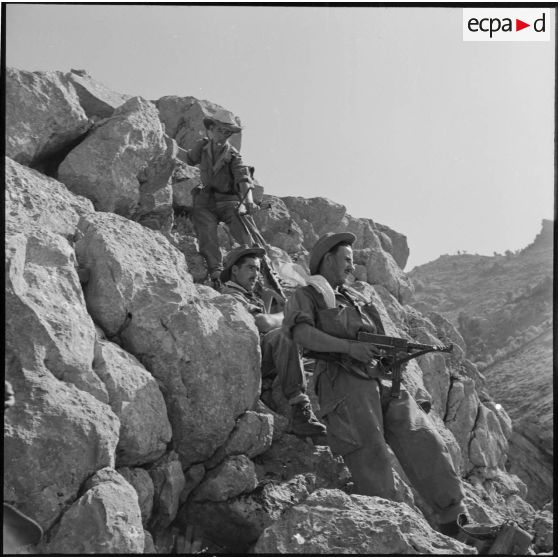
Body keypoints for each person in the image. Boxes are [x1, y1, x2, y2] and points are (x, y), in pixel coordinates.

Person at [283, 232, 467, 536]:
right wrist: (349, 348)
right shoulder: (308, 294)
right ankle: (388, 532)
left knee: (424, 439)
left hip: (382, 378)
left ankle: (456, 521)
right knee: (371, 456)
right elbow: (301, 335)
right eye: (346, 260)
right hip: (342, 382)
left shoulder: (357, 297)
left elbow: (379, 339)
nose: (351, 268)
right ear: (327, 259)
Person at [220, 245, 326, 438]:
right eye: (250, 268)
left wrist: (267, 302)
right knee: (285, 335)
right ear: (234, 270)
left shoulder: (246, 295)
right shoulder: (231, 294)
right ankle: (299, 406)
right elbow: (262, 323)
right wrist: (289, 313)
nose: (256, 274)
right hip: (247, 360)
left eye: (258, 269)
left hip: (259, 354)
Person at [172, 110, 256, 289]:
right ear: (211, 128)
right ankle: (216, 273)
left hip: (229, 201)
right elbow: (188, 158)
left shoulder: (233, 156)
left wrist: (249, 201)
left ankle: (254, 267)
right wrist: (169, 145)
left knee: (243, 229)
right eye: (220, 130)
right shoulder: (202, 147)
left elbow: (244, 180)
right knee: (206, 230)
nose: (223, 135)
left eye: (227, 132)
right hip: (207, 200)